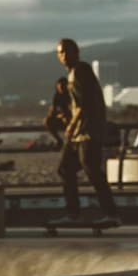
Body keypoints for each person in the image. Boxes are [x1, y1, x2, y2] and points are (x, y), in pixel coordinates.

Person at [54, 39, 119, 222]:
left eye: (67, 51)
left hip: (88, 131)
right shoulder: (72, 74)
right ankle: (73, 212)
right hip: (78, 134)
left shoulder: (82, 70)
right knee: (65, 169)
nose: (64, 55)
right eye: (60, 52)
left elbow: (83, 104)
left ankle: (111, 214)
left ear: (76, 52)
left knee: (92, 170)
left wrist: (71, 125)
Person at [43, 77, 71, 149]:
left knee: (68, 119)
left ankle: (70, 142)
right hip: (62, 117)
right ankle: (59, 140)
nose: (61, 88)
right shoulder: (57, 96)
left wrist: (64, 115)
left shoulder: (71, 95)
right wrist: (60, 115)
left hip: (72, 118)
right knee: (48, 121)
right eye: (60, 86)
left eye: (63, 86)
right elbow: (53, 111)